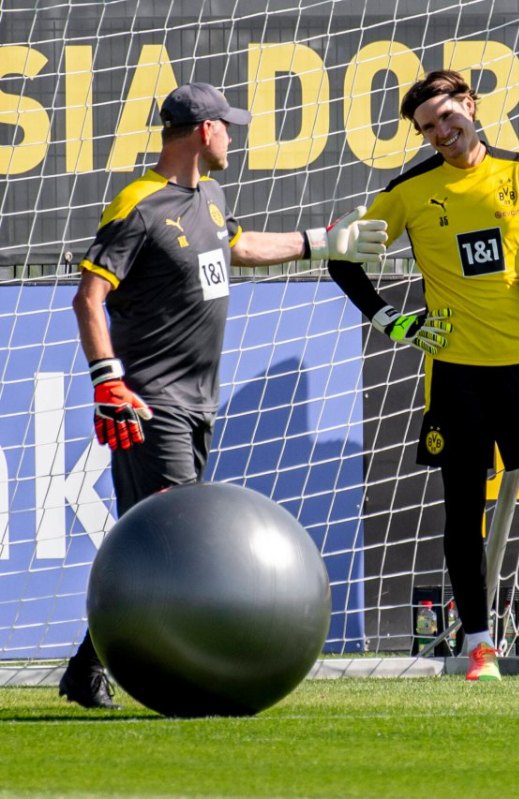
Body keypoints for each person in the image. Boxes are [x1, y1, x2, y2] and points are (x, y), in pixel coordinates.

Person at [61, 82, 388, 708]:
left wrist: (320, 242)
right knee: (183, 547)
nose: (233, 138)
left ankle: (88, 668)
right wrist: (108, 380)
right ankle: (166, 674)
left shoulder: (208, 195)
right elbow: (88, 297)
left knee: (165, 545)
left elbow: (237, 246)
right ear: (203, 131)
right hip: (151, 404)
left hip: (197, 402)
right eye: (227, 127)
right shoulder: (138, 204)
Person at [327, 70, 519, 682]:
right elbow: (344, 258)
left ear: (470, 106)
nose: (441, 133)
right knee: (464, 512)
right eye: (428, 128)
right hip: (456, 380)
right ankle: (479, 648)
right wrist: (392, 321)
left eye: (448, 117)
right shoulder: (409, 191)